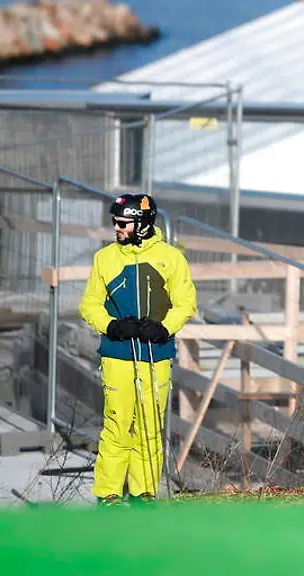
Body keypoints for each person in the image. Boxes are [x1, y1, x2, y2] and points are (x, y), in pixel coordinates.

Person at [78, 193, 196, 506]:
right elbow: (89, 303)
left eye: (122, 223)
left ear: (141, 224)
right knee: (118, 423)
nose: (116, 228)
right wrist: (112, 326)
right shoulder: (105, 259)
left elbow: (186, 302)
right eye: (115, 223)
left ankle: (144, 493)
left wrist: (164, 328)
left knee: (149, 424)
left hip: (155, 355)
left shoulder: (171, 259)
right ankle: (109, 494)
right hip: (117, 354)